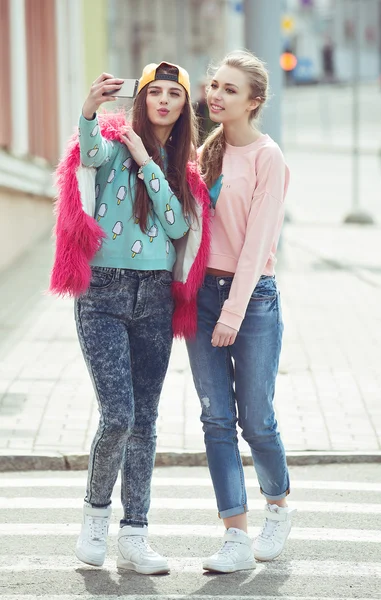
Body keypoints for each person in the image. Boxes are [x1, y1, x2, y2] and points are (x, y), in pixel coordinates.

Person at [49, 63, 210, 574]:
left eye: (174, 95)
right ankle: (95, 517)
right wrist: (90, 110)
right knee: (117, 415)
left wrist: (150, 164)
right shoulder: (115, 143)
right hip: (102, 293)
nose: (164, 101)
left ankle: (135, 533)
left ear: (184, 107)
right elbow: (88, 151)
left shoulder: (182, 167)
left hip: (156, 297)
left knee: (145, 421)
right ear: (141, 99)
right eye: (154, 92)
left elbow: (178, 221)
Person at [186, 50, 296, 573]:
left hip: (252, 302)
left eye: (229, 89)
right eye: (213, 85)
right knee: (215, 418)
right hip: (203, 296)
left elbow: (257, 245)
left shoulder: (268, 158)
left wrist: (232, 312)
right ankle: (234, 535)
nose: (216, 95)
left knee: (257, 420)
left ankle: (277, 506)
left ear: (253, 101)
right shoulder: (204, 151)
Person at [193, 78, 215, 143]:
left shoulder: (215, 107)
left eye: (207, 89)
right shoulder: (196, 107)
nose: (205, 92)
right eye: (203, 89)